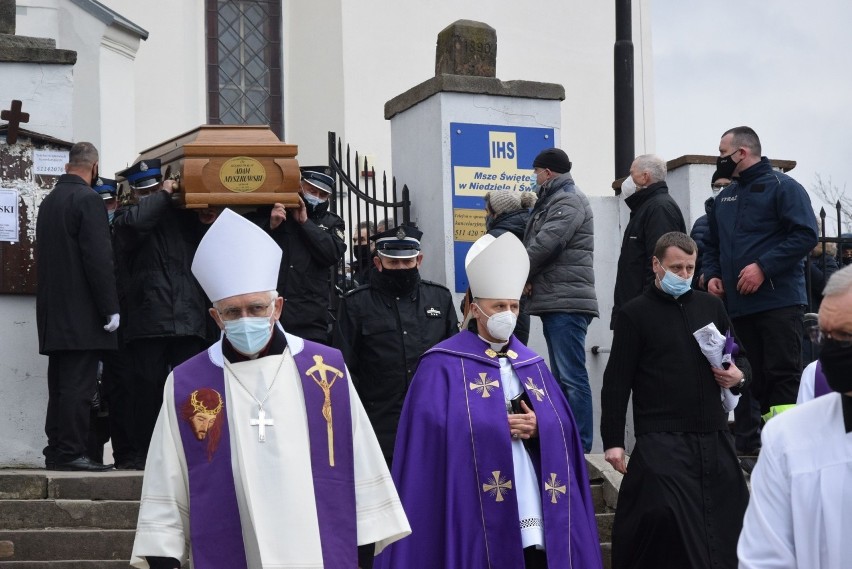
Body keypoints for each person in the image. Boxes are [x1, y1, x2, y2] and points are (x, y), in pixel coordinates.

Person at [130, 208, 409, 569]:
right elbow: (166, 479)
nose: (246, 319)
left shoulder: (325, 371)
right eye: (232, 312)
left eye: (256, 307)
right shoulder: (188, 383)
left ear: (277, 307)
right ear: (216, 317)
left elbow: (364, 464)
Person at [376, 232, 602, 569]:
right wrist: (492, 426)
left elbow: (565, 425)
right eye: (498, 306)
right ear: (474, 308)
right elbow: (431, 437)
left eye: (513, 306)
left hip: (530, 491)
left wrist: (541, 427)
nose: (507, 314)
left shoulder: (531, 364)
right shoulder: (440, 364)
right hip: (468, 495)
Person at [601, 231, 750, 569]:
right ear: (656, 265)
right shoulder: (634, 314)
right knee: (662, 518)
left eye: (689, 267)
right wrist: (613, 441)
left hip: (714, 437)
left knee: (731, 520)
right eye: (676, 267)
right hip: (661, 439)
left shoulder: (711, 306)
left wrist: (738, 376)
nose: (683, 275)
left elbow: (740, 357)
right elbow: (616, 380)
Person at [738, 265, 852, 569]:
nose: (831, 349)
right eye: (824, 335)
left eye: (845, 336)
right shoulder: (785, 438)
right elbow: (762, 557)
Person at [703, 126, 818, 426]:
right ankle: (770, 442)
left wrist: (763, 267)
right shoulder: (725, 198)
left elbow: (805, 235)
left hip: (779, 302)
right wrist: (713, 274)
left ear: (742, 153)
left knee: (783, 376)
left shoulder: (784, 187)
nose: (719, 159)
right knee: (755, 379)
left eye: (722, 153)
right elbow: (712, 245)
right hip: (738, 308)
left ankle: (788, 444)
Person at [112, 159, 217, 469]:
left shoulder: (182, 216)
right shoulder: (125, 217)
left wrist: (206, 220)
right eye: (147, 191)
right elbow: (133, 225)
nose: (153, 193)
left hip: (187, 319)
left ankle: (193, 451)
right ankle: (147, 453)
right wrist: (163, 194)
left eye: (155, 187)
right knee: (147, 392)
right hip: (148, 319)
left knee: (191, 392)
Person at [333, 224, 458, 464]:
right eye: (393, 262)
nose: (401, 268)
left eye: (407, 262)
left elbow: (452, 361)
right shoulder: (356, 304)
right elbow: (345, 368)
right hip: (379, 423)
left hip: (432, 419)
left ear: (418, 260)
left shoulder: (439, 299)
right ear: (378, 263)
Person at [36, 142, 119, 472]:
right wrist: (110, 307)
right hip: (82, 314)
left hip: (53, 313)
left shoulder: (49, 200)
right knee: (78, 386)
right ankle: (71, 452)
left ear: (70, 164)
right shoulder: (87, 200)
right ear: (95, 167)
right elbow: (98, 259)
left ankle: (56, 450)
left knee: (59, 385)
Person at [521, 148, 598, 452]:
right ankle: (567, 442)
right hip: (558, 298)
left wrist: (517, 271)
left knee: (571, 376)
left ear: (548, 173)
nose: (534, 177)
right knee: (562, 377)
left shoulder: (568, 200)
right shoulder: (554, 198)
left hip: (568, 301)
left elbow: (545, 244)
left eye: (536, 171)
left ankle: (580, 446)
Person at [251, 167, 346, 344]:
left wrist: (305, 222)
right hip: (271, 312)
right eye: (312, 191)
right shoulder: (275, 212)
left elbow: (331, 254)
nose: (316, 197)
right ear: (300, 187)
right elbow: (249, 247)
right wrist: (270, 225)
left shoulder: (333, 222)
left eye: (323, 195)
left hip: (310, 318)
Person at [612, 154, 686, 330]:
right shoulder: (647, 208)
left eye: (632, 174)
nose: (628, 180)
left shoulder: (659, 209)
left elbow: (660, 263)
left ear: (645, 177)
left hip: (646, 315)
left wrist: (647, 307)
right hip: (635, 311)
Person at [461, 189, 536, 344]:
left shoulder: (493, 239)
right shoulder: (533, 231)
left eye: (487, 211)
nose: (486, 216)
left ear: (497, 213)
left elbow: (481, 280)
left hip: (492, 315)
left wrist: (466, 305)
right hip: (518, 313)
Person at [690, 171, 730, 289]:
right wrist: (700, 279)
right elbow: (693, 261)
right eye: (717, 185)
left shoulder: (742, 220)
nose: (722, 189)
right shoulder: (700, 223)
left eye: (727, 185)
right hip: (707, 290)